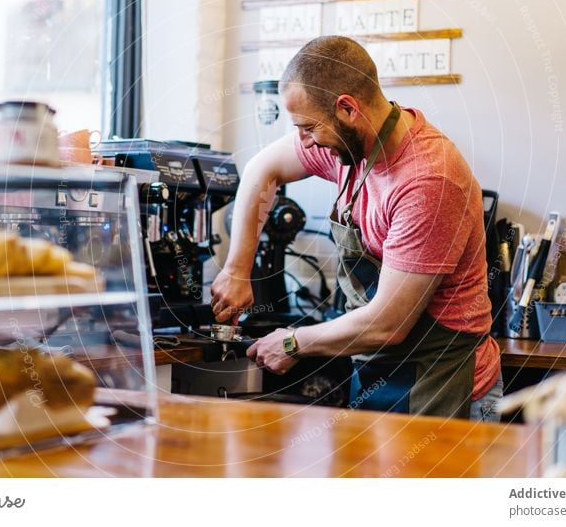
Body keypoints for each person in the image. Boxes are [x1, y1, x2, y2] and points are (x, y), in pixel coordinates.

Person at [211, 36, 502, 421]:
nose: (305, 141)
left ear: (347, 108)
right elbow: (259, 170)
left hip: (446, 386)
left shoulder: (429, 179)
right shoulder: (349, 149)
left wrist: (293, 343)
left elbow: (388, 324)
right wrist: (235, 270)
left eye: (309, 127)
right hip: (376, 373)